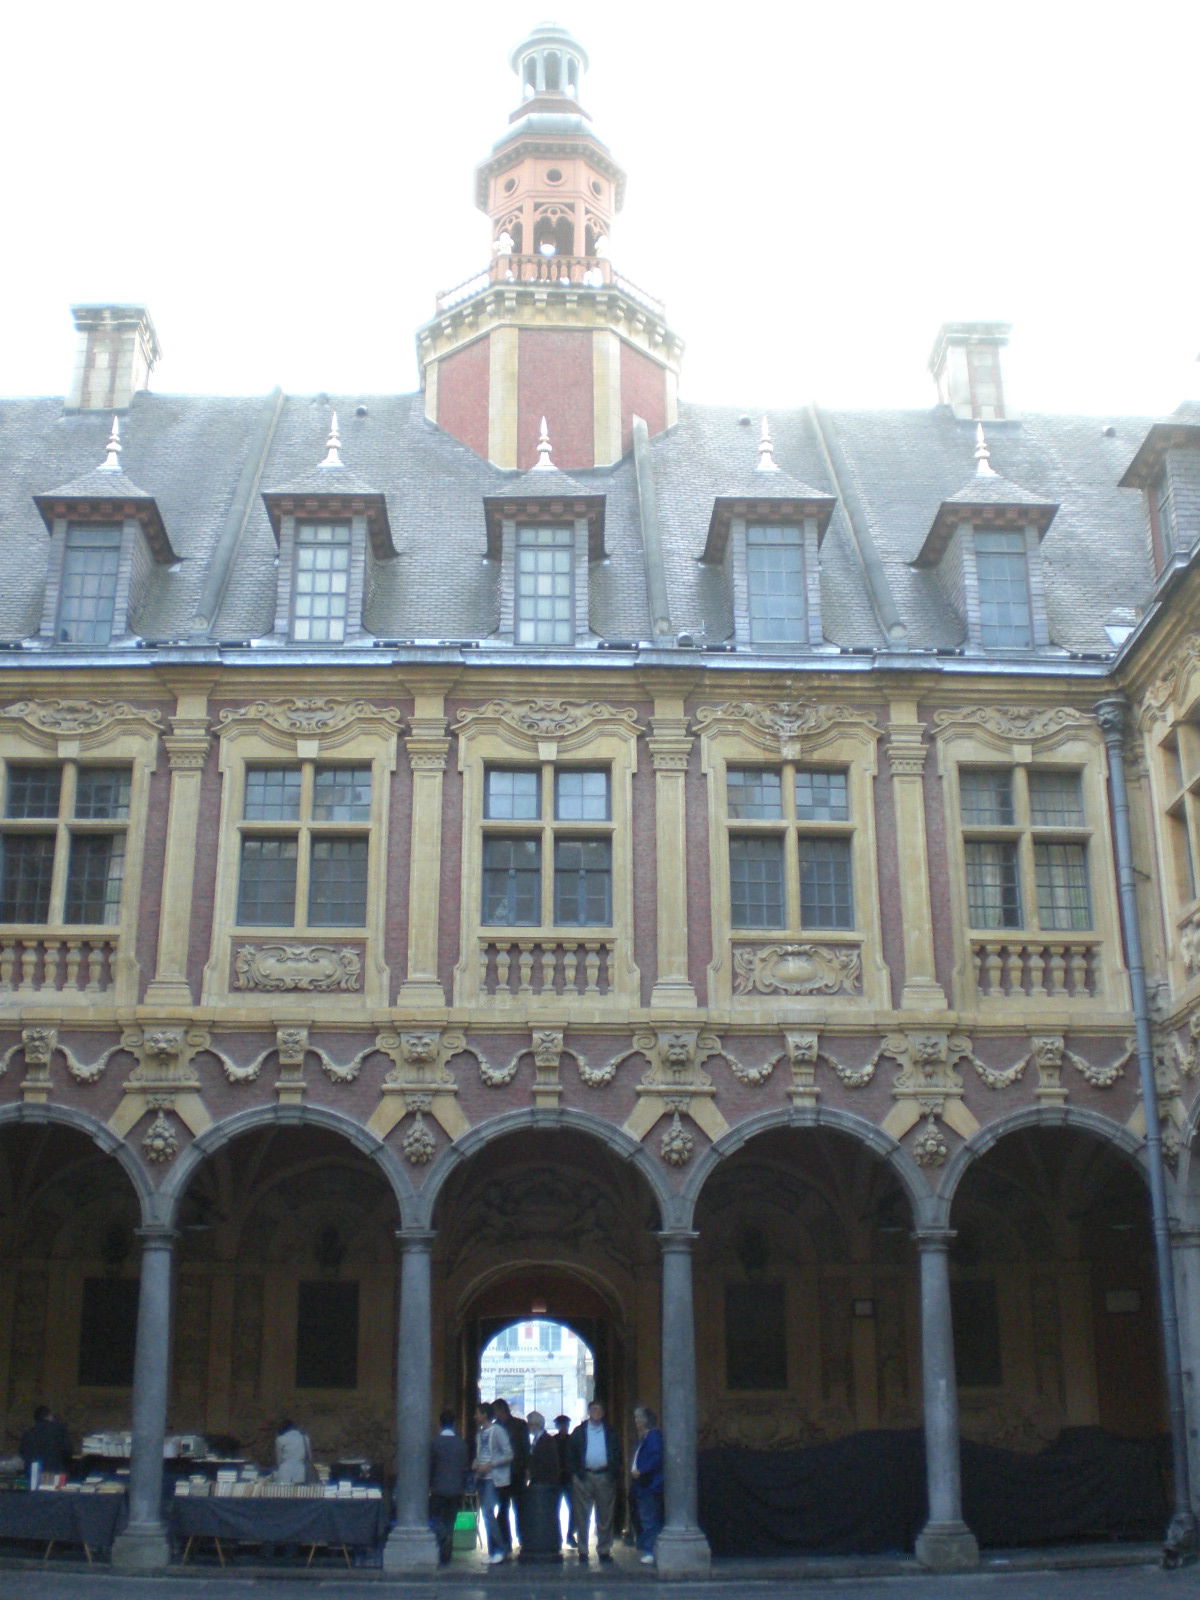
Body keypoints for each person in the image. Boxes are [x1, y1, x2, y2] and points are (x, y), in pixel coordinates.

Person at [568, 1399, 620, 1564]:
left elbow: (617, 1452)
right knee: (582, 1515)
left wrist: (613, 1472)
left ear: (603, 1413)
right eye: (594, 1410)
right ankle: (583, 1550)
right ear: (589, 1412)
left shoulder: (610, 1432)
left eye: (599, 1410)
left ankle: (604, 1549)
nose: (596, 1413)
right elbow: (570, 1453)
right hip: (584, 1477)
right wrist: (576, 1473)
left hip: (604, 1476)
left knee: (605, 1515)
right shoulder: (579, 1432)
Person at [472, 1402, 513, 1565]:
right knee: (486, 1514)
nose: (475, 1416)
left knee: (488, 1513)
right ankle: (493, 1550)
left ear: (484, 1415)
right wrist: (476, 1464)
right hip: (482, 1478)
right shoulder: (479, 1434)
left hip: (493, 1478)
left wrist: (491, 1464)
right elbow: (481, 1454)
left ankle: (500, 1549)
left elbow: (509, 1454)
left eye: (477, 1413)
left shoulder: (498, 1432)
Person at [429, 1410, 470, 1566]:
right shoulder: (461, 1444)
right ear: (454, 1424)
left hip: (438, 1488)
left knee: (436, 1518)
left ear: (440, 1424)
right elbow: (465, 1468)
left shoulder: (435, 1443)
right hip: (456, 1489)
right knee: (451, 1520)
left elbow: (430, 1467)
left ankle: (441, 1542)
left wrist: (430, 1484)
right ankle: (448, 1552)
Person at [491, 1396, 527, 1554]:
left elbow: (525, 1449)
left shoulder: (520, 1425)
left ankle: (521, 1538)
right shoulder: (495, 1428)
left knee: (519, 1508)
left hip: (516, 1472)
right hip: (502, 1474)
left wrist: (526, 1469)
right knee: (504, 1508)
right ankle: (506, 1540)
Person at [630, 1405, 664, 1565]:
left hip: (649, 1484)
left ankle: (651, 1551)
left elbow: (656, 1458)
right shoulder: (646, 1437)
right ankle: (649, 1549)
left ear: (645, 1420)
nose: (636, 1421)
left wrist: (642, 1471)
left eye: (638, 1418)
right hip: (644, 1485)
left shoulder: (653, 1437)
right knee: (647, 1518)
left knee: (649, 1519)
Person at [19, 1406, 72, 1479]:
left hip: (34, 1474)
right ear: (49, 1416)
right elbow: (68, 1451)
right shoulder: (60, 1429)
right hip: (55, 1472)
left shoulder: (28, 1433)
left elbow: (23, 1453)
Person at [553, 1414, 577, 1547]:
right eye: (562, 1425)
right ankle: (565, 1536)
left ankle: (567, 1535)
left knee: (572, 1508)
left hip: (566, 1478)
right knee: (568, 1508)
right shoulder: (569, 1440)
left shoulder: (558, 1440)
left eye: (565, 1425)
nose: (564, 1428)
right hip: (562, 1478)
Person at [273, 1418, 313, 1483]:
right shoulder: (305, 1438)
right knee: (299, 1491)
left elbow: (279, 1460)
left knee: (283, 1491)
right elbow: (310, 1457)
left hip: (285, 1469)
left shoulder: (280, 1439)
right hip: (300, 1469)